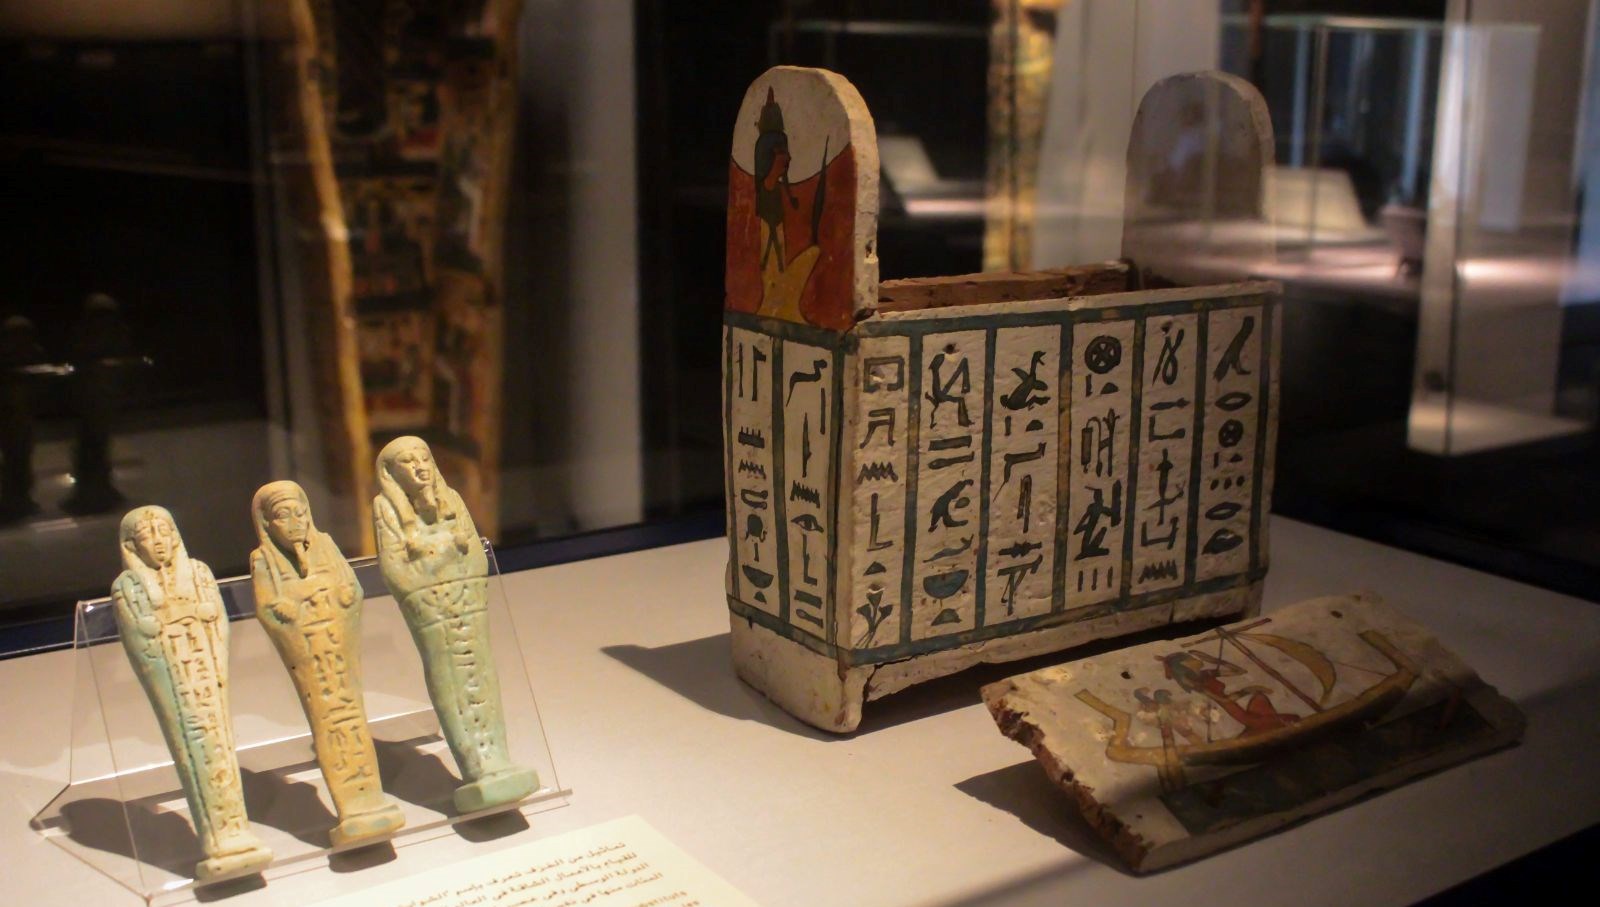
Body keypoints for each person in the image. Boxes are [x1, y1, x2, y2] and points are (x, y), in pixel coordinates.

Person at [373, 436, 536, 812]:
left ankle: (498, 759)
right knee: (449, 676)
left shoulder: (452, 499)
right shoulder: (386, 508)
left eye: (424, 458)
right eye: (408, 462)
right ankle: (477, 768)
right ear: (391, 474)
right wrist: (443, 555)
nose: (419, 467)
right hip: (430, 606)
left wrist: (435, 556)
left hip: (467, 599)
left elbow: (474, 556)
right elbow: (396, 568)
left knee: (481, 672)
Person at [111, 506, 273, 880]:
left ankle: (236, 831)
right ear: (132, 546)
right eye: (148, 535)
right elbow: (141, 639)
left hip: (204, 671)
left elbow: (218, 623)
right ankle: (219, 838)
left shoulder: (198, 572)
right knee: (193, 745)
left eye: (165, 531)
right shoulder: (128, 587)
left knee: (219, 740)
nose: (159, 541)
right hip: (174, 677)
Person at [250, 481, 404, 846]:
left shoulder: (326, 545)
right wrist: (290, 604)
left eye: (300, 513)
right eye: (283, 516)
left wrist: (338, 593)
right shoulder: (263, 560)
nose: (295, 522)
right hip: (309, 649)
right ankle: (352, 807)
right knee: (328, 717)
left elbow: (351, 589)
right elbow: (269, 608)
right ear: (267, 523)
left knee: (351, 713)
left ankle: (370, 799)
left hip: (336, 640)